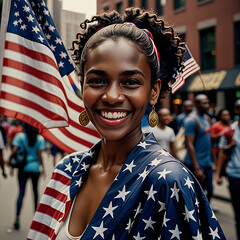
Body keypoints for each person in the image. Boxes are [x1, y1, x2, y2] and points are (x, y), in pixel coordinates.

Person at [28, 8, 225, 240]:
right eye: (97, 80)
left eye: (130, 82)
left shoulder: (169, 181)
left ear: (153, 92)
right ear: (83, 88)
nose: (112, 96)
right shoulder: (66, 170)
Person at [9, 123, 46, 230]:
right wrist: (42, 168)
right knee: (35, 192)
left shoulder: (20, 136)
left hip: (23, 168)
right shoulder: (39, 139)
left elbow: (14, 151)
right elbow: (40, 155)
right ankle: (36, 220)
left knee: (21, 193)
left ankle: (17, 218)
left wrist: (11, 165)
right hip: (35, 169)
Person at [215, 100, 240, 240]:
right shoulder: (229, 131)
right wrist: (217, 174)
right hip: (234, 175)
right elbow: (222, 153)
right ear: (237, 111)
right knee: (238, 212)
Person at [183, 94, 214, 202]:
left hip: (207, 162)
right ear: (197, 104)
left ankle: (204, 216)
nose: (207, 105)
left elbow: (209, 140)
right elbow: (189, 144)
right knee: (196, 195)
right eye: (204, 103)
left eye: (208, 102)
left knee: (209, 191)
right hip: (195, 164)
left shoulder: (207, 118)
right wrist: (196, 168)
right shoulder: (191, 120)